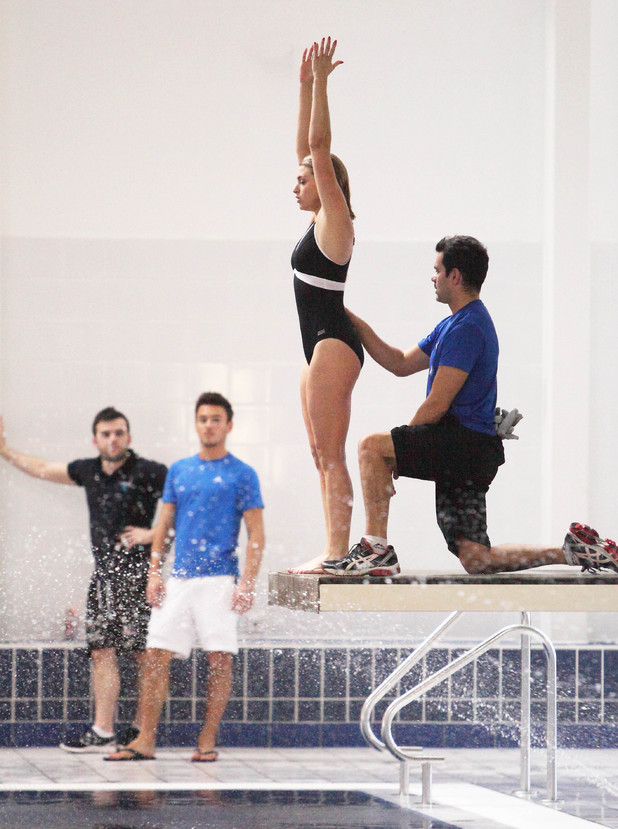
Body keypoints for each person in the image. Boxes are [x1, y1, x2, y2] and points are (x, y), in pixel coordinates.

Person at [322, 235, 618, 576]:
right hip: (470, 452)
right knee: (476, 558)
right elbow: (399, 362)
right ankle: (573, 551)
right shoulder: (452, 325)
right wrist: (346, 315)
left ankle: (375, 550)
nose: (432, 277)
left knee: (371, 447)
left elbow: (437, 403)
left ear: (455, 277)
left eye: (436, 270)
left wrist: (400, 448)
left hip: (463, 446)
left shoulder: (469, 327)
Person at [105, 392, 265, 762]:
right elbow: (164, 524)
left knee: (219, 660)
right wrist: (154, 573)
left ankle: (207, 741)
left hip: (221, 581)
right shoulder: (180, 470)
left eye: (215, 419)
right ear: (196, 424)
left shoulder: (243, 474)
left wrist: (247, 584)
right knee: (156, 654)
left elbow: (256, 533)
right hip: (178, 579)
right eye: (203, 419)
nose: (208, 425)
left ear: (229, 425)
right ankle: (145, 739)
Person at [0, 408, 168, 750]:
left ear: (129, 437)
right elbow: (44, 469)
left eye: (119, 433)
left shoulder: (151, 472)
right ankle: (103, 729)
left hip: (139, 578)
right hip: (104, 579)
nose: (112, 439)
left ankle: (140, 730)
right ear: (96, 440)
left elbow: (179, 508)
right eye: (105, 434)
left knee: (143, 655)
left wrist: (153, 535)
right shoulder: (89, 471)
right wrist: (4, 450)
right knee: (101, 651)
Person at [288, 37, 363, 575]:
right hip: (318, 347)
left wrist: (323, 87)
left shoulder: (336, 220)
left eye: (305, 176)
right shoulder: (315, 221)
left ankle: (339, 553)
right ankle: (331, 547)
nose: (296, 182)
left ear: (329, 183)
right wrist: (303, 87)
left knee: (332, 453)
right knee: (319, 455)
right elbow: (305, 148)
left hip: (334, 344)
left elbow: (318, 143)